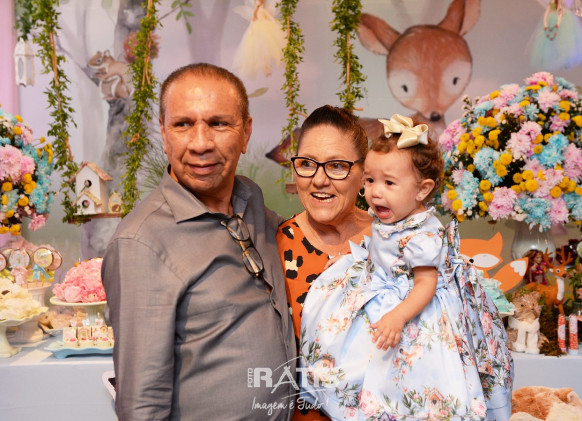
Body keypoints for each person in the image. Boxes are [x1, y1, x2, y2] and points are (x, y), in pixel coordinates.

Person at [102, 63, 296, 420]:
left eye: (218, 123)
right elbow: (142, 403)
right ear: (164, 134)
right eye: (183, 125)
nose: (201, 144)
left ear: (246, 132)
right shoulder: (141, 243)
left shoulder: (251, 200)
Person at [299, 114, 514, 421]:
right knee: (348, 339)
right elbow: (385, 252)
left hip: (416, 309)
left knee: (411, 370)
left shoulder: (423, 235)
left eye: (388, 183)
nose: (375, 192)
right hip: (387, 290)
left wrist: (398, 317)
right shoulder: (391, 216)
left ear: (421, 190)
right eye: (369, 180)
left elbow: (425, 284)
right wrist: (357, 262)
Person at [276, 105, 372, 420]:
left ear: (364, 173)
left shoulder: (395, 241)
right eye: (307, 164)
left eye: (337, 166)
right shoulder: (274, 247)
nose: (319, 179)